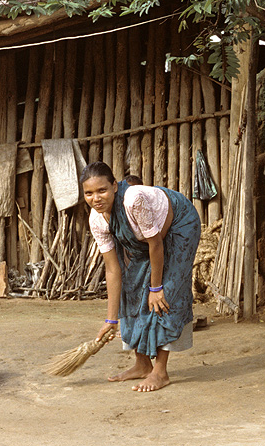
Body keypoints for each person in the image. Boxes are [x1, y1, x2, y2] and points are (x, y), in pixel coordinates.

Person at [81, 161, 201, 392]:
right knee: (133, 288)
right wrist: (111, 320)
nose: (96, 198)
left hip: (180, 224)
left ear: (115, 186)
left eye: (102, 190)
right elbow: (113, 269)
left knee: (169, 291)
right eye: (89, 193)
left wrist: (156, 288)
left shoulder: (133, 200)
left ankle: (160, 371)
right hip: (149, 239)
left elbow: (156, 244)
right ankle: (142, 364)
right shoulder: (97, 220)